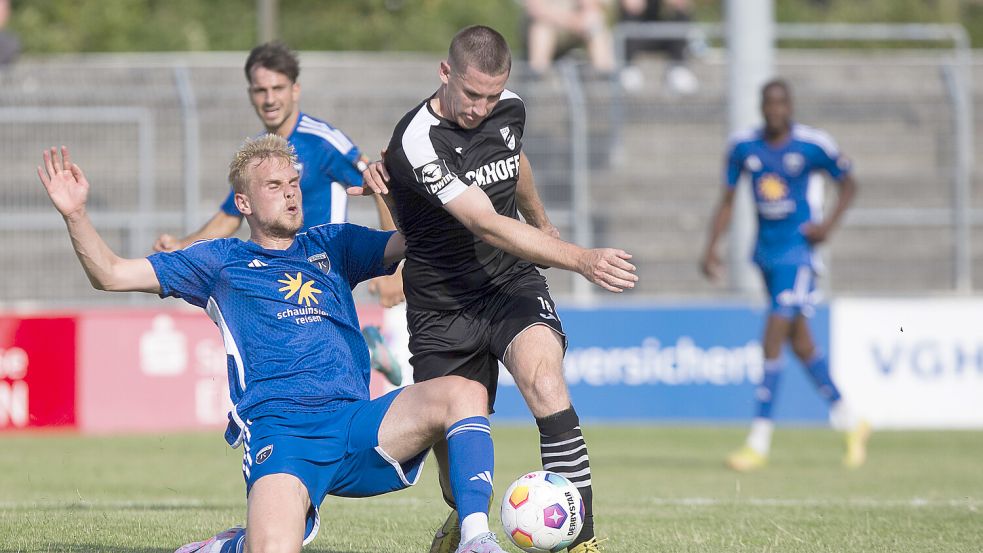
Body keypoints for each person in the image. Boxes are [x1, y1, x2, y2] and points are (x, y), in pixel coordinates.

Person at [37, 137, 508, 553]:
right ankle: (232, 544)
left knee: (464, 392)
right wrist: (75, 214)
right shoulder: (219, 261)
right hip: (283, 436)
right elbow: (111, 274)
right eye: (274, 186)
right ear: (243, 202)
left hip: (356, 423)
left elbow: (412, 242)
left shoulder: (332, 244)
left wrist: (397, 188)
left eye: (294, 183)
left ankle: (474, 539)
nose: (290, 193)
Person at [358, 25, 637, 553]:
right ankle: (461, 522)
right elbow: (484, 223)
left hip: (508, 281)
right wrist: (580, 257)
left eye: (492, 95)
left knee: (546, 381)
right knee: (453, 472)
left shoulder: (508, 107)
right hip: (442, 305)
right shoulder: (416, 141)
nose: (481, 108)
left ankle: (581, 541)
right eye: (471, 94)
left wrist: (541, 219)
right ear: (445, 73)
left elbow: (513, 160)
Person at [152, 40, 404, 384]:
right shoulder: (260, 154)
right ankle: (366, 348)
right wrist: (183, 245)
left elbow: (376, 182)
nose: (270, 99)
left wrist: (392, 273)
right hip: (280, 269)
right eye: (261, 90)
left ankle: (365, 355)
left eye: (278, 88)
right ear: (250, 93)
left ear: (295, 89)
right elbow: (230, 216)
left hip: (326, 265)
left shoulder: (321, 141)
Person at [700, 78, 868, 472]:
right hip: (766, 255)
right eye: (768, 104)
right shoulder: (744, 147)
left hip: (799, 254)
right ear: (762, 107)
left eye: (781, 104)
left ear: (789, 106)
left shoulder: (813, 145)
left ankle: (758, 441)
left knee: (773, 335)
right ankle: (851, 420)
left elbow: (850, 183)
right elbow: (727, 200)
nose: (775, 110)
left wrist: (827, 227)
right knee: (801, 343)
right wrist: (711, 246)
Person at [618, 0, 698, 94]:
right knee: (630, 15)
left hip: (665, 35)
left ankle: (678, 68)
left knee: (682, 12)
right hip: (639, 35)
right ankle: (629, 67)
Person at [524, 0, 615, 77]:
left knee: (595, 22)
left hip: (577, 26)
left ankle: (603, 81)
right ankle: (538, 80)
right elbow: (536, 9)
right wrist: (572, 22)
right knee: (541, 30)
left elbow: (592, 7)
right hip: (550, 25)